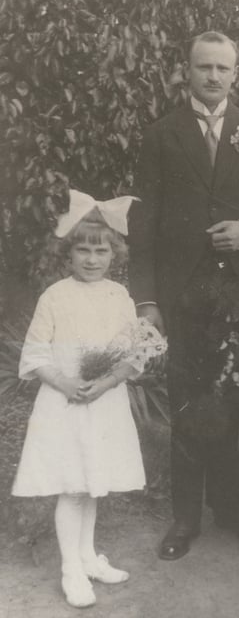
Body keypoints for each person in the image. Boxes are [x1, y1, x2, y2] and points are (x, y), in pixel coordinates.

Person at [128, 31, 239, 560]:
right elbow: (143, 220)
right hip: (184, 292)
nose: (212, 77)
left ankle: (233, 508)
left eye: (222, 68)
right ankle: (184, 518)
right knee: (188, 401)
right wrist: (147, 299)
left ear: (236, 74)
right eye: (203, 67)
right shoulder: (161, 135)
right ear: (186, 71)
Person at [12, 190, 161, 609]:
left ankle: (88, 556)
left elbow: (134, 354)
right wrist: (65, 383)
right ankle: (70, 570)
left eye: (101, 251)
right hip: (66, 404)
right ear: (69, 253)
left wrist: (108, 381)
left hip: (104, 402)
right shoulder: (55, 296)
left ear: (115, 254)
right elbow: (37, 354)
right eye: (83, 250)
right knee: (72, 488)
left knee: (93, 485)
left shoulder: (119, 296)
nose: (92, 259)